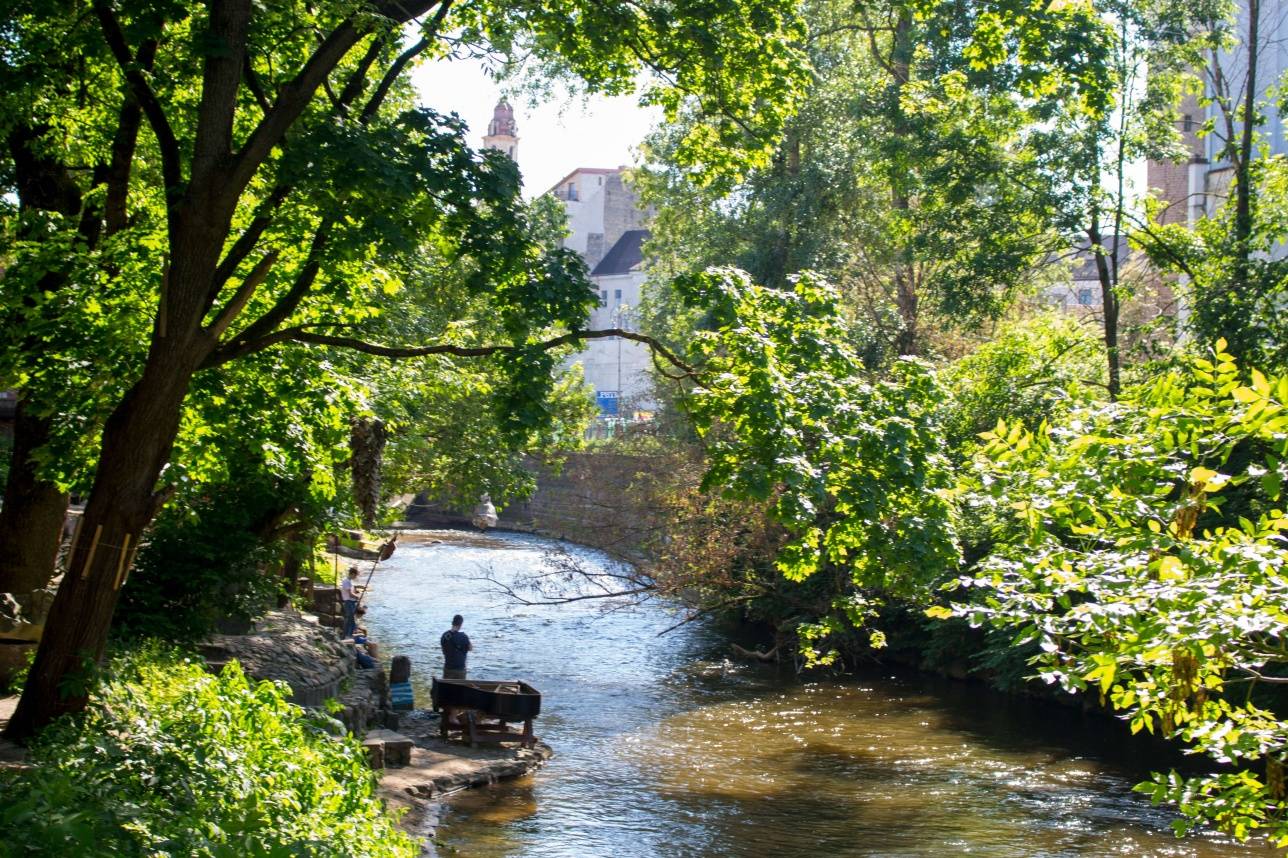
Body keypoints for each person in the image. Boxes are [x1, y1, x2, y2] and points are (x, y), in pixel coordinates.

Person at [440, 614, 472, 679]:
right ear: (461, 624)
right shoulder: (463, 636)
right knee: (460, 689)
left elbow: (443, 651)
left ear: (452, 622)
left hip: (447, 668)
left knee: (446, 688)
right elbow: (470, 648)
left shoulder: (444, 635)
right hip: (460, 670)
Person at [340, 566, 362, 638]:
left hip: (351, 602)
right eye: (355, 575)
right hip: (348, 602)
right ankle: (347, 635)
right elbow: (350, 594)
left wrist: (356, 594)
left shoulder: (349, 582)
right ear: (352, 574)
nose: (355, 577)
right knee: (350, 619)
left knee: (351, 619)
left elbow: (351, 592)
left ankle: (350, 634)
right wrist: (357, 596)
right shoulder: (346, 581)